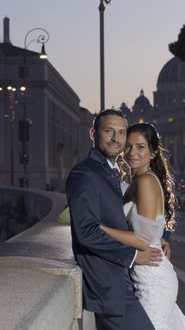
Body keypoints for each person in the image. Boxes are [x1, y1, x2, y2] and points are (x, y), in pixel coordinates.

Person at [66, 109, 162, 330]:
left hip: (121, 280)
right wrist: (132, 256)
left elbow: (119, 218)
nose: (116, 139)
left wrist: (159, 237)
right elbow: (87, 231)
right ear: (93, 133)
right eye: (109, 131)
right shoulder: (85, 173)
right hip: (108, 286)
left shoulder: (107, 171)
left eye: (121, 132)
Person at [99, 123, 185, 330]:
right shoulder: (139, 180)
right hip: (146, 274)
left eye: (140, 147)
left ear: (152, 152)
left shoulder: (145, 182)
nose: (132, 152)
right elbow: (147, 229)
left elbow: (141, 239)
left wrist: (99, 228)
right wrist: (158, 238)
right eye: (129, 146)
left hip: (153, 281)